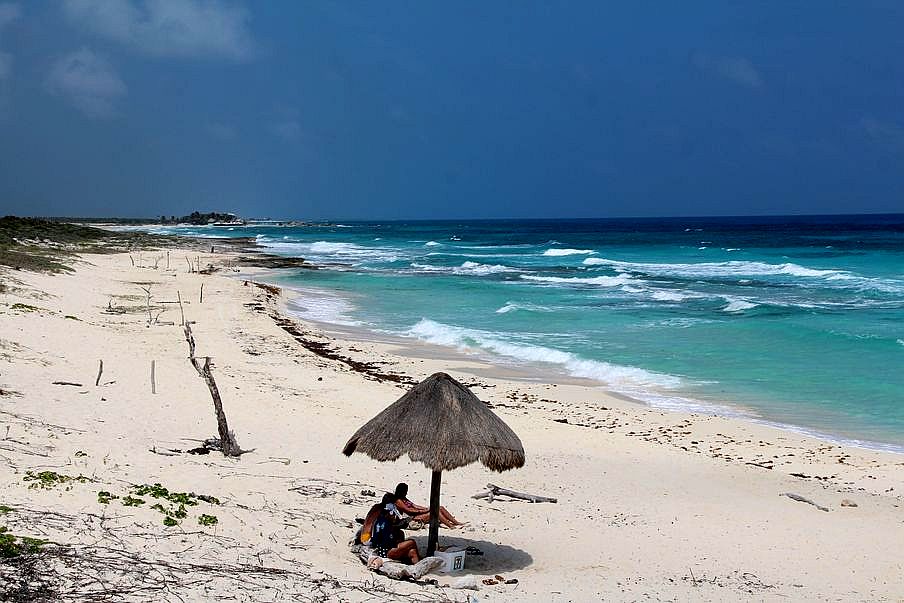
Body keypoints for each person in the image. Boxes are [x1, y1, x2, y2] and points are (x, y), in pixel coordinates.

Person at [368, 493, 421, 565]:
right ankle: (418, 561)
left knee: (412, 551)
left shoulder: (381, 514)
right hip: (386, 551)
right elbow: (388, 540)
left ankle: (416, 568)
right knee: (412, 542)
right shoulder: (386, 518)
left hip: (384, 547)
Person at [393, 482, 464, 529]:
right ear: (401, 491)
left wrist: (427, 508)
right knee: (434, 512)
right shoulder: (398, 500)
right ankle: (451, 526)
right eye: (405, 491)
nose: (406, 492)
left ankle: (456, 522)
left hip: (416, 514)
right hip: (412, 518)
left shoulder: (404, 498)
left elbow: (415, 506)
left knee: (439, 508)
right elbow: (408, 510)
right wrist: (423, 511)